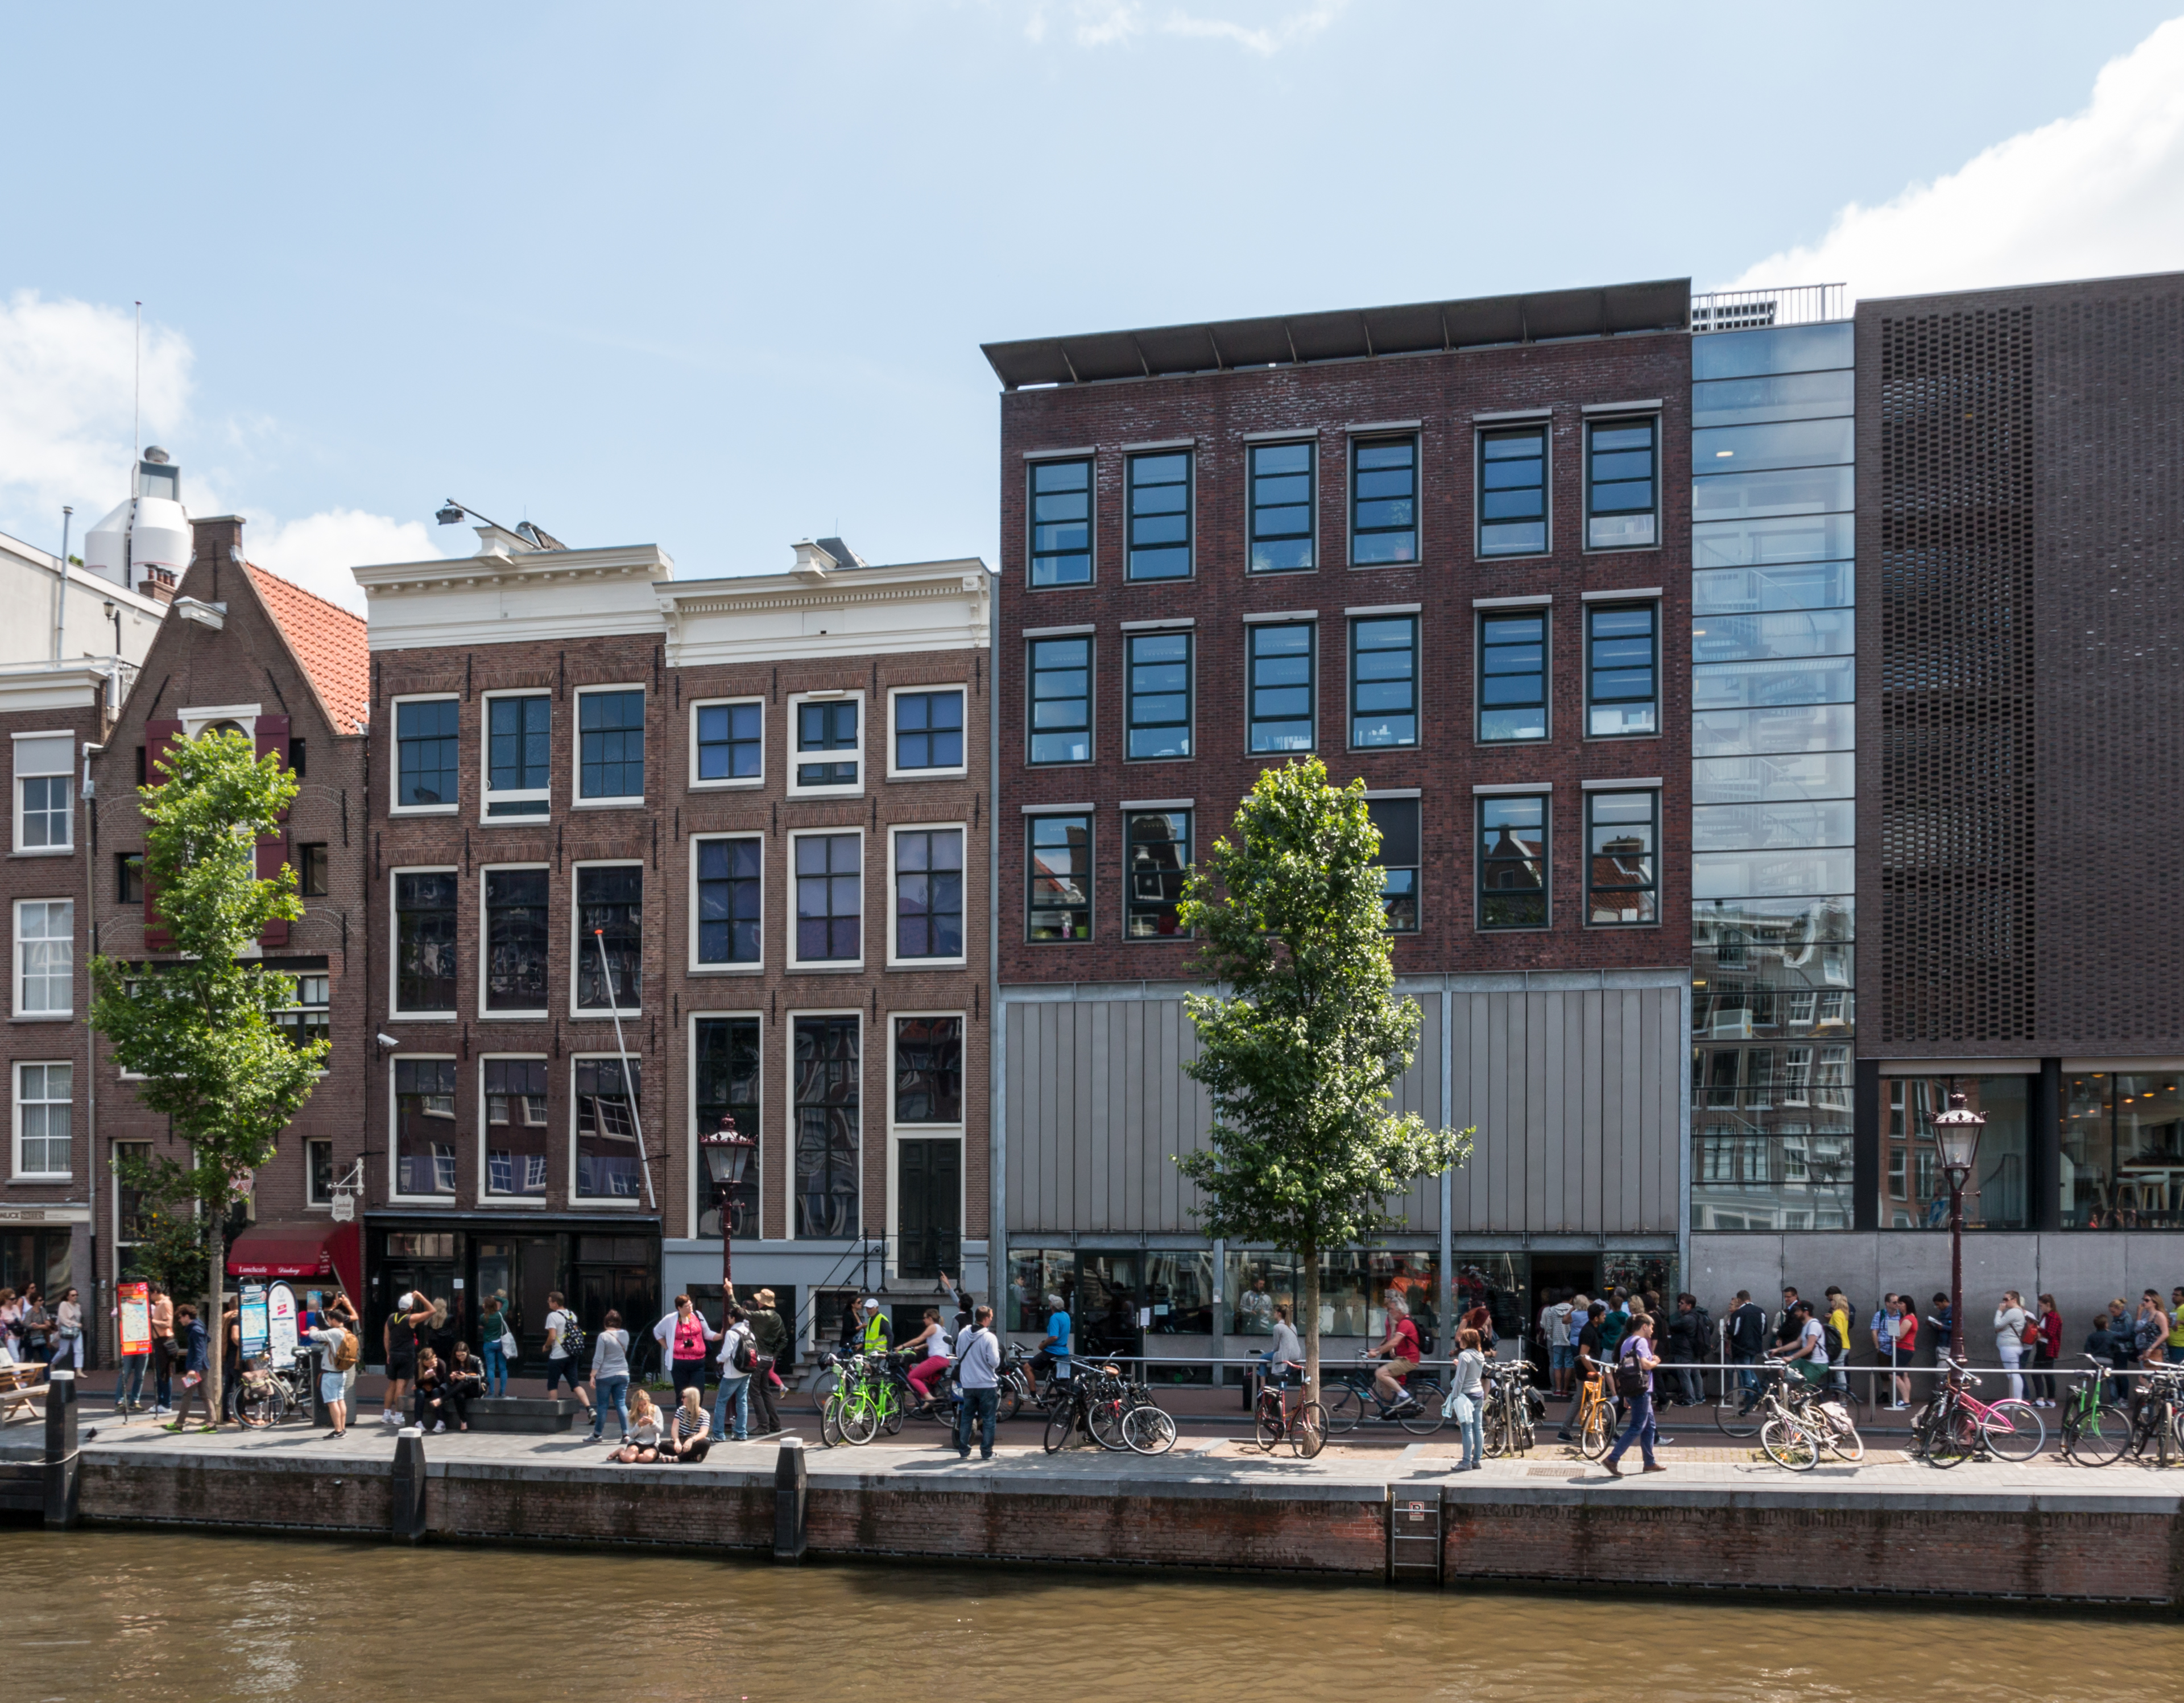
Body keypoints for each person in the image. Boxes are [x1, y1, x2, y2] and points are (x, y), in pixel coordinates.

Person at [1602, 1314, 1667, 1477]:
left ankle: (1649, 1463)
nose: (1653, 1330)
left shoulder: (1627, 1341)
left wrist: (1625, 1394)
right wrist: (1656, 1362)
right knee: (1637, 1426)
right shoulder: (1642, 1342)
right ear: (1644, 1326)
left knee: (1649, 1427)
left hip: (1632, 1388)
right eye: (1651, 1326)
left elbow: (1627, 1366)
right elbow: (1645, 1364)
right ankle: (1612, 1459)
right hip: (1642, 1389)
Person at [953, 1304, 1002, 1461]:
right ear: (986, 1319)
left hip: (968, 1383)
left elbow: (959, 1354)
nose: (992, 1320)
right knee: (989, 1419)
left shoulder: (963, 1333)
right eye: (991, 1318)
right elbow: (994, 1362)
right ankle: (986, 1453)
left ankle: (964, 1452)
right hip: (986, 1384)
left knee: (967, 1417)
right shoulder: (990, 1338)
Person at [1558, 1301, 1607, 1442]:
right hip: (1588, 1373)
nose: (1605, 1317)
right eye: (1603, 1315)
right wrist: (1595, 1372)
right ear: (1596, 1318)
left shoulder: (1591, 1329)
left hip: (1585, 1372)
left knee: (1580, 1400)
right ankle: (1611, 1430)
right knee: (1601, 1399)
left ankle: (1565, 1430)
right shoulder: (1588, 1332)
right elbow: (1584, 1355)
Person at [164, 1304, 217, 1432]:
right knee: (205, 1395)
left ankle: (179, 1424)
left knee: (187, 1394)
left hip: (197, 1368)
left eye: (181, 1318)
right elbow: (208, 1340)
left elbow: (200, 1351)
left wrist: (194, 1369)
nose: (180, 1320)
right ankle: (211, 1424)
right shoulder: (199, 1326)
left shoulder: (195, 1330)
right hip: (202, 1367)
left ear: (187, 1316)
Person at [744, 1287, 788, 1436]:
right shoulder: (777, 1317)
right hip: (769, 1358)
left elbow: (741, 1311)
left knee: (754, 1391)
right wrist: (775, 1355)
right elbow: (784, 1339)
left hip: (759, 1357)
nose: (757, 1302)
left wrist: (730, 1293)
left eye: (758, 1300)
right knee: (765, 1391)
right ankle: (775, 1424)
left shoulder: (762, 1315)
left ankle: (764, 1425)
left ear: (762, 1303)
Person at [382, 1292, 431, 1427]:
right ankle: (398, 1415)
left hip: (393, 1354)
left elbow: (386, 1338)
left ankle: (386, 1415)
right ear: (410, 1307)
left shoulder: (391, 1318)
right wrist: (421, 1297)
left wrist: (388, 1354)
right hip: (406, 1355)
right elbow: (432, 1311)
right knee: (401, 1386)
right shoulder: (411, 1319)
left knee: (391, 1385)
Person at [302, 1312, 354, 1438]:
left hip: (330, 1374)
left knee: (332, 1402)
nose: (328, 1323)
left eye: (329, 1320)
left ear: (334, 1320)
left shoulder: (335, 1332)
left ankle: (337, 1430)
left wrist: (312, 1329)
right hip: (341, 1373)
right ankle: (342, 1429)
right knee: (341, 1400)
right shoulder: (346, 1332)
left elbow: (315, 1336)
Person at [1368, 1295, 1423, 1412]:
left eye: (1391, 1309)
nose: (1389, 1312)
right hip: (1403, 1358)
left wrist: (1377, 1353)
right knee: (1383, 1380)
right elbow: (1390, 1340)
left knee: (1380, 1372)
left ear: (1399, 1311)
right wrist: (1376, 1349)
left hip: (1408, 1360)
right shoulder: (1402, 1322)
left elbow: (1394, 1341)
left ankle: (1404, 1397)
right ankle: (1387, 1410)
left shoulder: (1406, 1323)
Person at [543, 1291, 591, 1419]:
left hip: (558, 1355)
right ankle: (590, 1409)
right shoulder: (572, 1315)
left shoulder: (553, 1316)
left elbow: (552, 1336)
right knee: (575, 1384)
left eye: (549, 1301)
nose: (548, 1303)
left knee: (553, 1384)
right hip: (572, 1354)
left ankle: (552, 1414)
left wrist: (546, 1346)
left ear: (555, 1303)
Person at [589, 1309, 633, 1444]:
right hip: (623, 1374)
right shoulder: (625, 1334)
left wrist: (592, 1375)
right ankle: (626, 1434)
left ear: (606, 1323)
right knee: (621, 1403)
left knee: (602, 1406)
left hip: (606, 1375)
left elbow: (598, 1358)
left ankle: (597, 1435)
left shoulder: (603, 1336)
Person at [665, 1293, 718, 1404]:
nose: (690, 1307)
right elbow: (657, 1332)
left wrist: (721, 1335)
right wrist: (668, 1348)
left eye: (691, 1304)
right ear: (679, 1308)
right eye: (687, 1306)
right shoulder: (671, 1319)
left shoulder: (697, 1315)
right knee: (682, 1394)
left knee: (699, 1392)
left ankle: (696, 1418)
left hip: (697, 1362)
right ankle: (682, 1419)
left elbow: (707, 1333)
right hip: (679, 1362)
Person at [1448, 1326, 1487, 1471]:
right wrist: (1460, 1366)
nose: (1459, 1341)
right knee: (1478, 1428)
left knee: (1466, 1430)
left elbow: (1460, 1380)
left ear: (1467, 1341)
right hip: (1479, 1393)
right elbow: (1473, 1371)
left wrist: (1454, 1397)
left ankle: (1466, 1462)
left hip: (1466, 1395)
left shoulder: (1464, 1355)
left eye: (1462, 1339)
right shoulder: (1479, 1354)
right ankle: (1477, 1460)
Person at [713, 1304, 754, 1443]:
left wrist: (718, 1360)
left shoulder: (731, 1333)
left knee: (721, 1402)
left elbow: (725, 1355)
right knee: (742, 1402)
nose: (728, 1319)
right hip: (747, 1372)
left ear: (733, 1318)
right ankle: (741, 1433)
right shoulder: (749, 1332)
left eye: (729, 1316)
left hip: (732, 1373)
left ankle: (718, 1435)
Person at [899, 1308, 954, 1409]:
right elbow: (931, 1343)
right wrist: (919, 1347)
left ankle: (928, 1397)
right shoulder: (941, 1329)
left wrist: (901, 1347)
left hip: (937, 1359)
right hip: (944, 1360)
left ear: (930, 1318)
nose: (923, 1320)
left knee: (912, 1376)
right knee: (924, 1377)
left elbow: (919, 1339)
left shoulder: (933, 1327)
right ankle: (923, 1400)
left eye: (925, 1318)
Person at [1726, 1290, 1767, 1411]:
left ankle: (1752, 1396)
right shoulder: (1761, 1312)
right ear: (1750, 1297)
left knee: (1745, 1371)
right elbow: (1763, 1330)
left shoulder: (1739, 1313)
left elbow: (1733, 1331)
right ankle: (1757, 1392)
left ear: (1739, 1300)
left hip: (1741, 1346)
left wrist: (1728, 1326)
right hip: (1755, 1346)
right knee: (1750, 1369)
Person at [1665, 1294, 1704, 1407]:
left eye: (1682, 1303)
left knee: (1684, 1376)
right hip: (1694, 1350)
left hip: (1684, 1351)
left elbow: (1672, 1325)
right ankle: (1698, 1397)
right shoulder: (1697, 1316)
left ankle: (1689, 1400)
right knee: (1696, 1374)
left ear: (1689, 1306)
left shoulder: (1687, 1319)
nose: (1679, 1305)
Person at [1993, 1290, 2030, 1402]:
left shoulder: (2013, 1312)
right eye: (2003, 1299)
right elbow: (1999, 1327)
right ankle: (2016, 1401)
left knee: (2013, 1374)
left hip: (2009, 1346)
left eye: (2006, 1299)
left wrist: (1999, 1312)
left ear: (2014, 1300)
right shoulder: (2018, 1312)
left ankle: (2016, 1402)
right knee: (2014, 1374)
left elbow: (1998, 1325)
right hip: (2012, 1346)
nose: (2004, 1302)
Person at [663, 1386, 713, 1462]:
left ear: (691, 1398)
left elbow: (703, 1433)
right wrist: (677, 1441)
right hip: (682, 1441)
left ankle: (678, 1458)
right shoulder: (681, 1410)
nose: (682, 1399)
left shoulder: (704, 1414)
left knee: (705, 1443)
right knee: (662, 1445)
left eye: (684, 1397)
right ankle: (692, 1456)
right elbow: (674, 1428)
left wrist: (691, 1440)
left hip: (694, 1442)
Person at [148, 1283, 176, 1416]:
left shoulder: (165, 1303)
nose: (149, 1297)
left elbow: (168, 1324)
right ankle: (161, 1402)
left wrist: (152, 1321)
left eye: (150, 1294)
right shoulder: (160, 1304)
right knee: (161, 1372)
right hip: (159, 1341)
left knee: (165, 1372)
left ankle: (167, 1404)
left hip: (164, 1340)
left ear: (154, 1292)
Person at [614, 1388, 663, 1463]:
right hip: (636, 1442)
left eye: (645, 1404)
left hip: (652, 1443)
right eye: (640, 1405)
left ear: (648, 1402)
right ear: (635, 1405)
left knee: (647, 1458)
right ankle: (621, 1451)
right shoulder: (631, 1414)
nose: (643, 1407)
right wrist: (638, 1425)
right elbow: (631, 1436)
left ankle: (634, 1457)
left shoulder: (655, 1409)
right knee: (628, 1459)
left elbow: (660, 1430)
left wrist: (652, 1423)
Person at [1032, 1293, 1070, 1387]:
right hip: (1063, 1351)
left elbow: (1054, 1337)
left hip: (1053, 1351)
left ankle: (1033, 1394)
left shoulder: (1055, 1318)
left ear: (1052, 1306)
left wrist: (1043, 1345)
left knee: (1027, 1368)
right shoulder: (1066, 1315)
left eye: (1050, 1302)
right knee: (1056, 1378)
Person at [2032, 1293, 2063, 1406]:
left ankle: (2042, 1398)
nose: (2040, 1308)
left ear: (2048, 1304)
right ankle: (2050, 1399)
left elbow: (2050, 1333)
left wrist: (2039, 1329)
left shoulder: (2054, 1317)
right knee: (2047, 1373)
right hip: (2043, 1346)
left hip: (2048, 1347)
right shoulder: (2047, 1316)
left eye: (2041, 1306)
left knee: (2038, 1373)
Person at [479, 1296, 513, 1398]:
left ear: (485, 1306)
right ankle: (502, 1392)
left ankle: (491, 1392)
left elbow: (483, 1326)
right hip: (501, 1343)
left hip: (489, 1344)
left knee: (490, 1368)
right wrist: (496, 1297)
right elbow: (506, 1301)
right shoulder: (500, 1314)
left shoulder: (483, 1317)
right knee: (503, 1368)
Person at [1543, 1291, 1576, 1398]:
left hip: (1557, 1341)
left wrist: (1553, 1337)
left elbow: (1549, 1327)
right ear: (1572, 1299)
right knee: (1569, 1365)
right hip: (1570, 1341)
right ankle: (1566, 1390)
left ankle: (1558, 1390)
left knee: (1557, 1365)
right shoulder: (1573, 1310)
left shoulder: (1552, 1310)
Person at [445, 1344, 485, 1431]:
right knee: (459, 1396)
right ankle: (463, 1422)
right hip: (459, 1389)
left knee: (464, 1382)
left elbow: (482, 1377)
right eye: (458, 1355)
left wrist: (466, 1377)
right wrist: (452, 1378)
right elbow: (447, 1380)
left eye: (463, 1355)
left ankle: (443, 1399)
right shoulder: (453, 1362)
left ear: (467, 1352)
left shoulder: (476, 1360)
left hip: (475, 1388)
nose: (460, 1357)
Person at [1889, 1293, 1918, 1409]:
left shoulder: (1908, 1319)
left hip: (1903, 1349)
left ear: (1907, 1305)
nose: (1899, 1306)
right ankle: (1907, 1399)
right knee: (1905, 1375)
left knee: (1894, 1375)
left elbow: (1900, 1335)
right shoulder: (1911, 1318)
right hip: (1907, 1349)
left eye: (1901, 1304)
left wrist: (1892, 1331)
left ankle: (1905, 1400)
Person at [412, 1347, 452, 1432]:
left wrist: (433, 1376)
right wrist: (424, 1379)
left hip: (438, 1388)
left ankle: (441, 1422)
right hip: (424, 1389)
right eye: (427, 1364)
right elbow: (417, 1384)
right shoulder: (418, 1365)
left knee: (435, 1391)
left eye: (431, 1362)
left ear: (434, 1357)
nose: (429, 1365)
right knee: (420, 1393)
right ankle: (418, 1422)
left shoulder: (441, 1364)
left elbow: (442, 1384)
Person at [48, 1287, 84, 1372]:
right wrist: (75, 1324)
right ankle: (53, 1364)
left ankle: (79, 1371)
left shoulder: (78, 1306)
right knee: (63, 1352)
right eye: (73, 1295)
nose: (75, 1297)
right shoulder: (64, 1304)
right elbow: (62, 1318)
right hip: (66, 1330)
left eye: (76, 1295)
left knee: (79, 1350)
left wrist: (77, 1325)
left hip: (77, 1331)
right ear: (68, 1297)